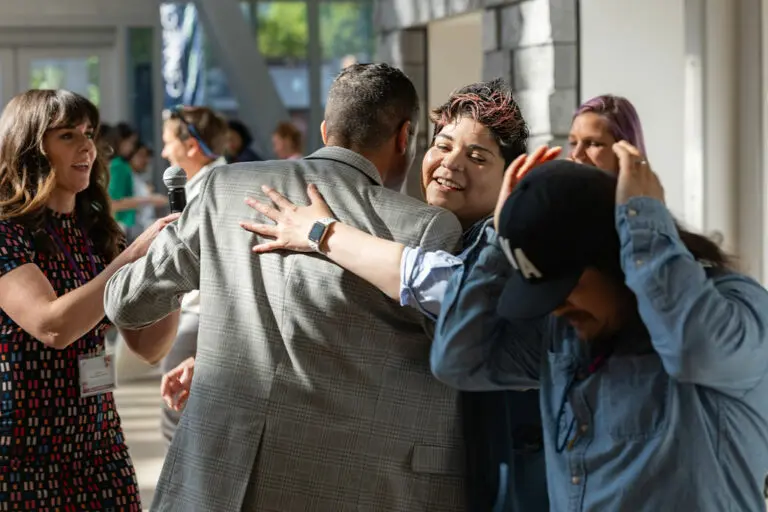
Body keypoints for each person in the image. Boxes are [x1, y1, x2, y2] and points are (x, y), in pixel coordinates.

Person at [165, 79, 553, 511]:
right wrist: (227, 353)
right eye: (442, 145)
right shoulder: (409, 224)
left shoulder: (504, 245)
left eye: (477, 156)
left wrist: (321, 233)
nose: (450, 163)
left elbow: (459, 297)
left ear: (508, 178)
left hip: (498, 470)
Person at [104, 63, 466, 511]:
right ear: (404, 136)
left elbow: (127, 303)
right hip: (346, 486)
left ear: (324, 129)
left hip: (216, 479)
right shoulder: (426, 228)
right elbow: (464, 360)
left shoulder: (224, 188)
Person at [430, 145, 768, 510]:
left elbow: (694, 350)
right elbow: (458, 361)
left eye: (565, 287)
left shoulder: (733, 304)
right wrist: (501, 241)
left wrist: (644, 225)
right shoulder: (568, 333)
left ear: (613, 256)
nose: (557, 308)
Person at [0, 89, 180, 510]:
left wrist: (172, 272)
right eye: (67, 135)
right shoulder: (7, 233)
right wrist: (132, 256)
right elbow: (52, 326)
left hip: (97, 445)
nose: (87, 147)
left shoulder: (98, 234)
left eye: (89, 133)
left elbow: (149, 346)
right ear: (30, 148)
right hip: (21, 449)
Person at [158, 104, 228, 443]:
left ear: (190, 146)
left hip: (200, 314)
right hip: (204, 312)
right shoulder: (215, 184)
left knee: (178, 421)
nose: (162, 152)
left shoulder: (213, 192)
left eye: (168, 142)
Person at [107, 122, 165, 234]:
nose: (132, 147)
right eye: (131, 142)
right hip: (124, 226)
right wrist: (149, 200)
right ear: (121, 141)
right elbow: (114, 201)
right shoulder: (118, 165)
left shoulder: (121, 165)